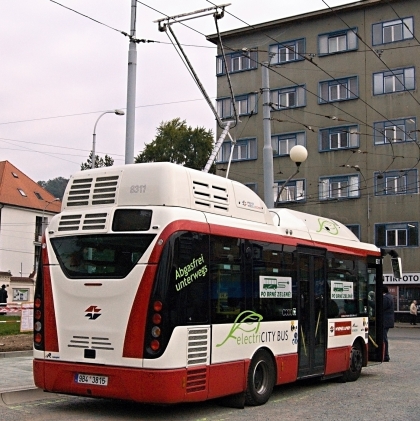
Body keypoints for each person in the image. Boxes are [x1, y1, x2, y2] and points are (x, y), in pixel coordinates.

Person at [383, 286, 395, 362]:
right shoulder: (389, 297)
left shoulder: (385, 298)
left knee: (383, 338)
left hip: (384, 321)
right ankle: (385, 354)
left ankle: (385, 355)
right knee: (384, 337)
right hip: (388, 321)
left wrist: (370, 303)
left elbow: (380, 307)